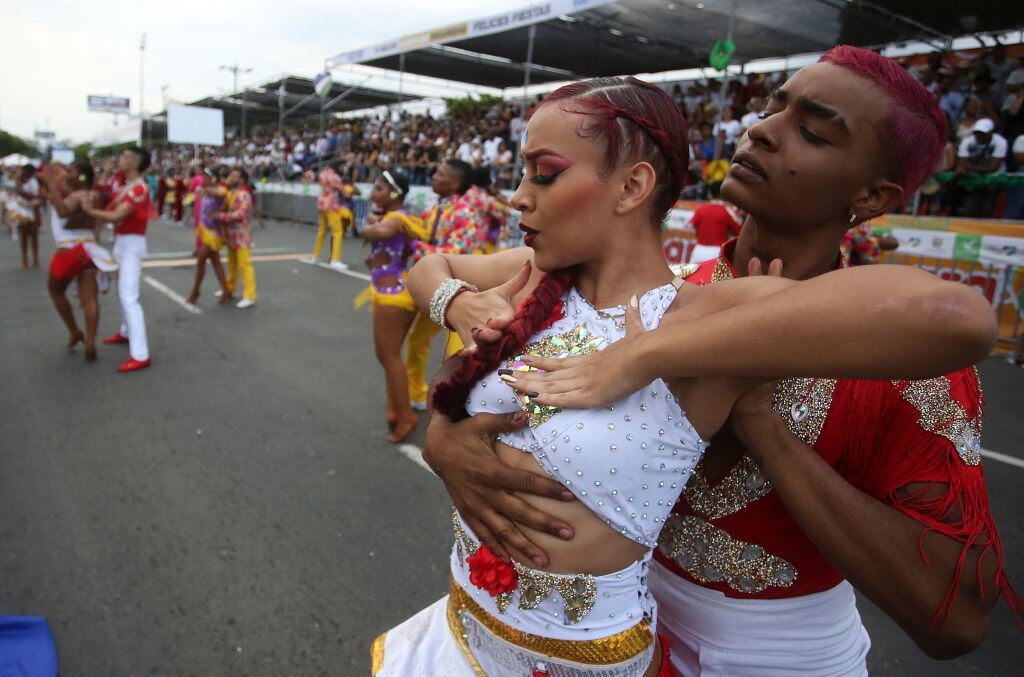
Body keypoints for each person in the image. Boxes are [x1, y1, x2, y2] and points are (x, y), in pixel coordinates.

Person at [373, 71, 1000, 676]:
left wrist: (709, 390)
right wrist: (451, 433)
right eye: (770, 108)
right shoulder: (652, 289)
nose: (761, 131)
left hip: (776, 653)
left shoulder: (895, 353)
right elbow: (443, 277)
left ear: (871, 197)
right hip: (617, 619)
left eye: (813, 132)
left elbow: (957, 623)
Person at [355, 170, 427, 442]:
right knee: (390, 356)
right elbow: (402, 251)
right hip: (392, 287)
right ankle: (396, 409)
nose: (374, 193)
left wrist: (366, 227)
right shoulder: (400, 219)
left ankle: (405, 415)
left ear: (395, 193)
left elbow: (382, 231)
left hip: (392, 295)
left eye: (380, 189)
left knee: (389, 357)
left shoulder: (395, 219)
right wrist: (378, 261)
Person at [83, 146, 153, 373]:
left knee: (129, 297)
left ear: (134, 162)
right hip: (122, 241)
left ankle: (141, 354)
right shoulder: (126, 186)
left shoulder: (139, 188)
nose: (121, 159)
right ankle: (125, 332)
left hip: (132, 244)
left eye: (125, 156)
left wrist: (90, 211)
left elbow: (116, 215)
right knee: (123, 292)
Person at [38, 162, 117, 362]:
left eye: (71, 170)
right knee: (90, 299)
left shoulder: (77, 196)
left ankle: (74, 331)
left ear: (81, 176)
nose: (67, 173)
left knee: (55, 291)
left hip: (69, 251)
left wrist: (53, 186)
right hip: (90, 251)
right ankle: (90, 341)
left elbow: (64, 212)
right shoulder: (95, 196)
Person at [185, 169, 230, 306]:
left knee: (201, 260)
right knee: (216, 261)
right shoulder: (204, 189)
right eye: (203, 175)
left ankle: (195, 291)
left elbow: (222, 194)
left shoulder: (219, 189)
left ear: (214, 178)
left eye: (206, 176)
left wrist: (206, 189)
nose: (203, 178)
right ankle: (225, 290)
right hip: (205, 229)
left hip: (214, 232)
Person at [217, 168, 257, 309]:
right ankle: (229, 288)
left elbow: (240, 214)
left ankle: (250, 295)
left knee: (244, 265)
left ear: (242, 180)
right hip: (231, 235)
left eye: (234, 176)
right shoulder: (230, 193)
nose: (230, 178)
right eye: (230, 175)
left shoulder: (244, 195)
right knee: (231, 265)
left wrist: (221, 217)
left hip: (241, 236)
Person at [305, 161, 354, 271]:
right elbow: (343, 190)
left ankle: (316, 256)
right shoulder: (335, 176)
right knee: (337, 232)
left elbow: (308, 175)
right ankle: (335, 259)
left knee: (322, 230)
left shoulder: (322, 174)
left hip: (322, 203)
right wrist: (349, 190)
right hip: (332, 204)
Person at [953, 118, 1008, 217]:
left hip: (993, 177)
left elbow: (993, 167)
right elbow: (962, 164)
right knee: (970, 207)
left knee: (987, 208)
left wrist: (971, 167)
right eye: (977, 133)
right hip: (973, 178)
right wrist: (962, 168)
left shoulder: (1000, 142)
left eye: (982, 133)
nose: (979, 136)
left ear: (990, 133)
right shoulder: (967, 141)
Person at [686, 182, 742, 263]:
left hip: (698, 250)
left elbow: (689, 226)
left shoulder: (701, 209)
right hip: (716, 252)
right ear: (723, 194)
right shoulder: (728, 211)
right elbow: (739, 232)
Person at [9, 164, 42, 268]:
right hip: (22, 210)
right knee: (24, 235)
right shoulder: (20, 180)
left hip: (34, 209)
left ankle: (35, 258)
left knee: (34, 236)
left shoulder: (36, 180)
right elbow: (19, 191)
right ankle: (25, 257)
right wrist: (31, 196)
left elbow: (42, 193)